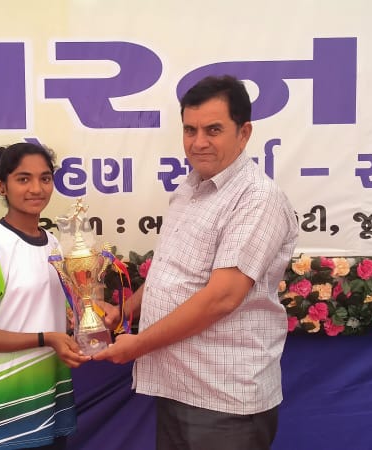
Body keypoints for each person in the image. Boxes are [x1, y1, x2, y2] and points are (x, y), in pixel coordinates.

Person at [93, 75, 299, 450]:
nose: (198, 142)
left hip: (224, 398)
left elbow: (222, 297)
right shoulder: (190, 189)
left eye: (213, 130)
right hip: (179, 386)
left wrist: (137, 345)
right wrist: (125, 312)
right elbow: (172, 272)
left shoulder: (256, 198)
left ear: (244, 133)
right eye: (190, 130)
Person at [0, 142, 89, 450]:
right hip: (3, 409)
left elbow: (49, 310)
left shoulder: (53, 243)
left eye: (45, 178)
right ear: (2, 186)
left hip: (49, 398)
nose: (36, 188)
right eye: (23, 179)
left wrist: (90, 311)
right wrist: (46, 338)